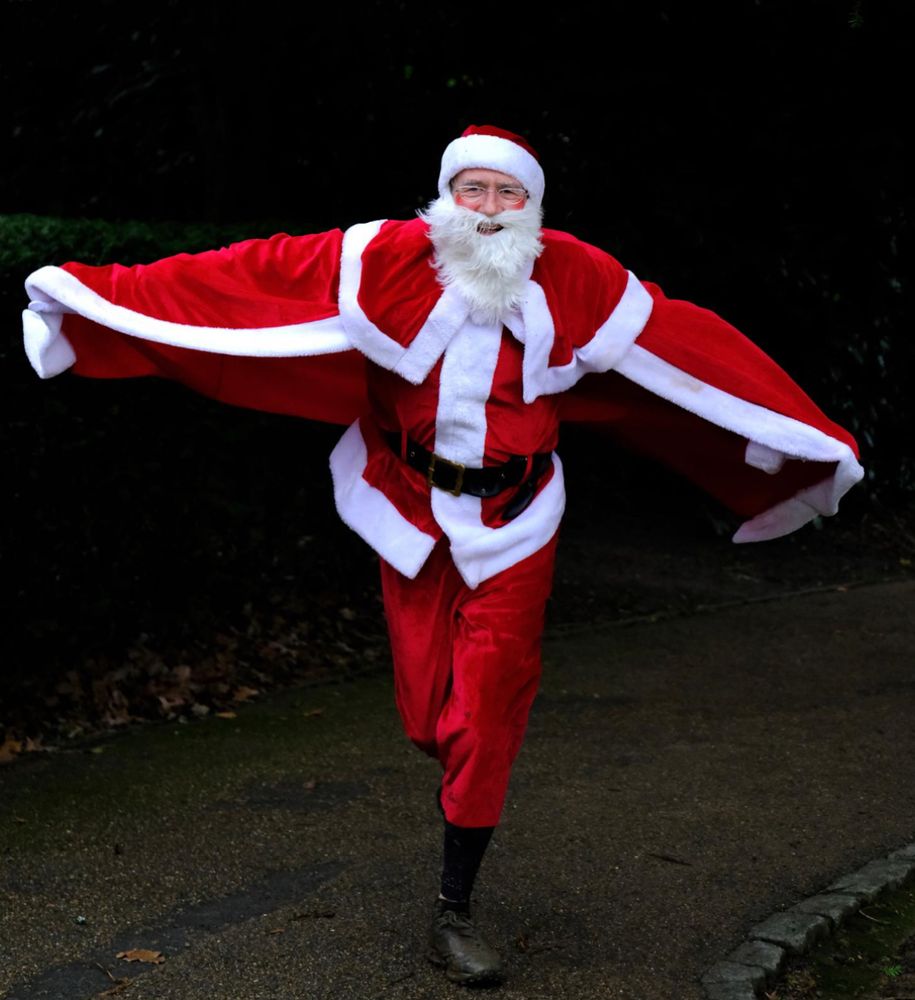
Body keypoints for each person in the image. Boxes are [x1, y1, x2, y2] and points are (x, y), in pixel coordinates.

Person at [23, 124, 862, 986]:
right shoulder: (380, 260)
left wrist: (794, 436)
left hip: (517, 520)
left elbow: (688, 344)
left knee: (488, 712)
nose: (490, 211)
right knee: (431, 718)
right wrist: (83, 294)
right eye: (474, 191)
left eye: (509, 195)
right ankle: (456, 774)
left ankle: (454, 909)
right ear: (445, 197)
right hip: (410, 512)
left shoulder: (576, 277)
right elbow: (236, 277)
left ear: (532, 208)